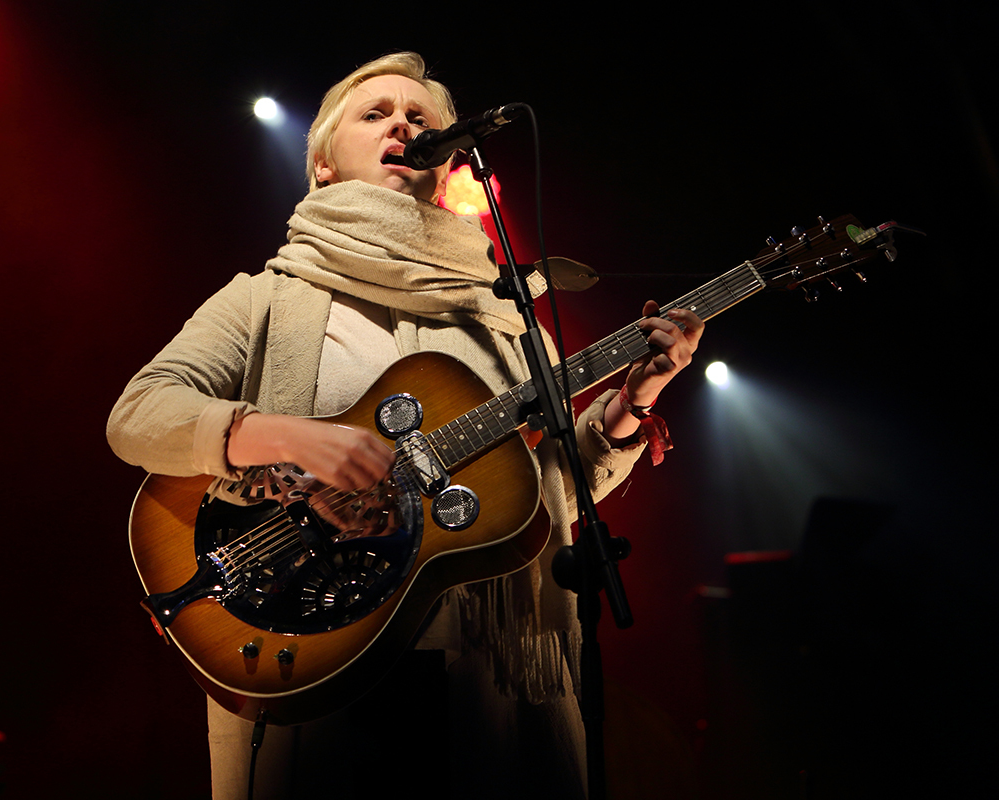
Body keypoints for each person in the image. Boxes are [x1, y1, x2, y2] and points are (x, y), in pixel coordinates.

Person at [107, 52, 703, 800]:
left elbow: (549, 494)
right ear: (323, 165)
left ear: (448, 159)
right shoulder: (262, 298)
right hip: (317, 653)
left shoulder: (506, 316)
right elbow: (139, 414)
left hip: (490, 671)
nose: (403, 124)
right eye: (377, 113)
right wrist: (290, 437)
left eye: (421, 118)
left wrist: (634, 403)